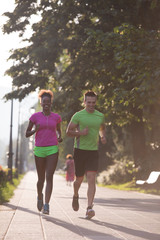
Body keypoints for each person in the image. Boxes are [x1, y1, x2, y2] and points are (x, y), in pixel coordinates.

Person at [66, 90, 106, 219]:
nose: (91, 105)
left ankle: (89, 207)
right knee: (79, 179)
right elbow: (68, 132)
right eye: (88, 102)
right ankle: (76, 195)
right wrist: (81, 133)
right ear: (84, 102)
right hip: (80, 151)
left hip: (93, 151)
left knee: (91, 178)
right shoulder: (78, 115)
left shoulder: (100, 116)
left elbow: (102, 128)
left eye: (93, 102)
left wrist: (103, 136)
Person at [25, 89, 62, 215]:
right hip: (39, 149)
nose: (46, 103)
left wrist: (59, 137)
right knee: (41, 179)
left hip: (52, 148)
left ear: (51, 103)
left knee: (49, 176)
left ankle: (46, 205)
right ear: (41, 103)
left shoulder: (56, 117)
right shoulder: (35, 117)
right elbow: (26, 133)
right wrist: (35, 130)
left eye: (48, 102)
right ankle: (39, 196)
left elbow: (58, 131)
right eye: (44, 101)